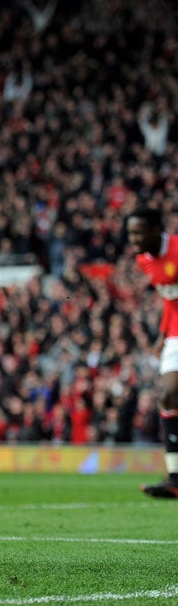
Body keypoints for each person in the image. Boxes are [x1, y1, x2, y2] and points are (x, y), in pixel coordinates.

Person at [125, 206, 178, 499]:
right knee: (169, 394)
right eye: (130, 232)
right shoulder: (143, 259)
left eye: (138, 232)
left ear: (156, 230)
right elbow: (169, 298)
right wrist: (161, 334)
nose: (132, 238)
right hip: (174, 331)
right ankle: (175, 476)